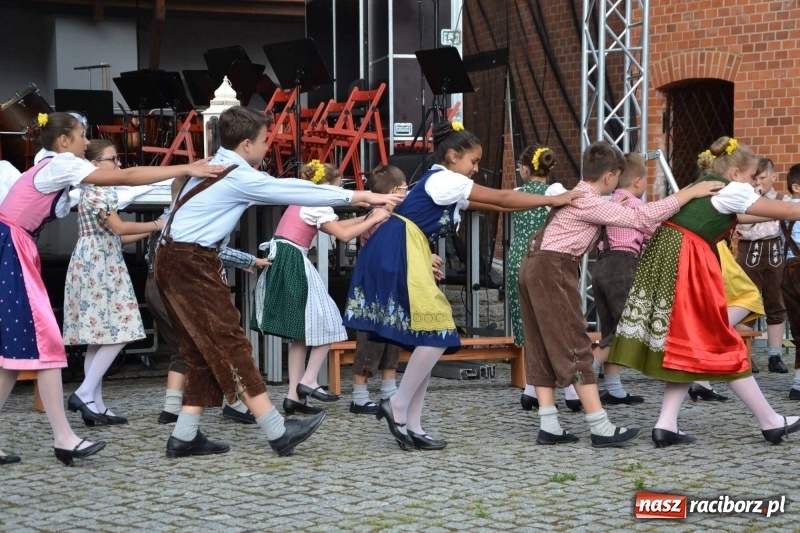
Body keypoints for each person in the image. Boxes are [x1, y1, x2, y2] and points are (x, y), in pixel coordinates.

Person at [154, 106, 405, 458]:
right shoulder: (239, 174)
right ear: (245, 144)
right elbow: (290, 190)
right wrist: (364, 196)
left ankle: (185, 434)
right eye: (263, 141)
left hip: (172, 258)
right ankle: (277, 430)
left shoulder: (215, 164)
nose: (266, 148)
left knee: (200, 349)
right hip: (190, 261)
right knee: (231, 343)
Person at [343, 121, 584, 451]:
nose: (474, 170)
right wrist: (554, 200)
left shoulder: (445, 184)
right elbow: (501, 197)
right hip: (398, 248)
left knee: (431, 334)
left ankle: (411, 422)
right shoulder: (446, 180)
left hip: (404, 248)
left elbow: (493, 204)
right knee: (439, 331)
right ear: (453, 156)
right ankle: (397, 405)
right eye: (472, 162)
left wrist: (541, 202)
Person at [0, 111, 223, 466]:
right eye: (81, 135)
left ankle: (67, 433)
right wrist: (185, 168)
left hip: (16, 245)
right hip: (13, 247)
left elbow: (124, 183)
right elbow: (129, 176)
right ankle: (65, 437)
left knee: (17, 354)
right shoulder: (61, 166)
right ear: (63, 141)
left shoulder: (52, 167)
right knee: (46, 344)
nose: (86, 142)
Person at [519, 140, 722, 448]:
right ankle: (599, 426)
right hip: (553, 269)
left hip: (534, 264)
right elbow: (643, 218)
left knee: (542, 344)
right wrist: (689, 193)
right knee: (574, 342)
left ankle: (549, 423)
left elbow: (602, 214)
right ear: (611, 176)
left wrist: (614, 208)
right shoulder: (588, 200)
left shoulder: (580, 195)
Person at [609, 136, 800, 447]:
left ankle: (666, 424)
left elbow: (751, 214)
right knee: (721, 342)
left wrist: (776, 210)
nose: (756, 184)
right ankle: (770, 421)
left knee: (691, 345)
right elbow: (789, 212)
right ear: (736, 173)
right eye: (753, 177)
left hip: (669, 258)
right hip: (689, 263)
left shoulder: (710, 184)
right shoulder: (735, 190)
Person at [251, 160, 391, 417]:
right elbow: (344, 235)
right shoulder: (317, 203)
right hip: (294, 261)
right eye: (337, 190)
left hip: (283, 259)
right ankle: (310, 380)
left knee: (300, 334)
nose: (338, 196)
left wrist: (370, 217)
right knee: (330, 322)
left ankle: (294, 396)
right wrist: (378, 216)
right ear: (325, 188)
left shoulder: (302, 202)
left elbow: (336, 227)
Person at [151, 177, 270, 425]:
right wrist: (250, 261)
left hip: (156, 284)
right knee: (215, 347)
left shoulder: (168, 218)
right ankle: (245, 408)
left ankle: (176, 414)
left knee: (187, 350)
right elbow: (212, 250)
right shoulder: (194, 218)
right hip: (184, 284)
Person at [62, 140, 165, 426]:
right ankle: (84, 393)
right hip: (100, 266)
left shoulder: (87, 193)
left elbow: (114, 236)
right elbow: (119, 228)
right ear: (95, 165)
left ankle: (95, 402)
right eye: (113, 159)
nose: (118, 165)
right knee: (122, 329)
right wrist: (157, 225)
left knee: (98, 336)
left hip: (93, 259)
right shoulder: (100, 192)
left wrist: (151, 231)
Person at [507, 146, 581, 413]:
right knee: (553, 322)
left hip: (516, 257)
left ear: (526, 169)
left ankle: (531, 389)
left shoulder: (516, 194)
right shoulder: (555, 191)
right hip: (543, 254)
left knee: (530, 324)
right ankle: (571, 390)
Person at [348, 164, 419, 415]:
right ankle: (359, 395)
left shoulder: (395, 218)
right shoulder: (378, 216)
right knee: (370, 338)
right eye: (404, 189)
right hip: (374, 285)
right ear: (393, 191)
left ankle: (389, 389)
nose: (407, 194)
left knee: (393, 334)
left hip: (392, 284)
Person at [591, 153, 656, 406]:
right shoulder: (636, 207)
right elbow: (654, 232)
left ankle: (613, 388)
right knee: (627, 326)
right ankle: (587, 367)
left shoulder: (608, 202)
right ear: (638, 182)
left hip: (601, 267)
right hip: (623, 266)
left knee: (610, 327)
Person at [733, 157, 790, 374]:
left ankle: (774, 355)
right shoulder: (745, 198)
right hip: (749, 251)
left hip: (774, 251)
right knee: (748, 302)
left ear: (773, 177)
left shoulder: (781, 199)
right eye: (755, 177)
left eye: (763, 178)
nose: (758, 182)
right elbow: (740, 224)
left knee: (775, 301)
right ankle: (747, 355)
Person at [781, 164, 800, 400]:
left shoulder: (782, 208)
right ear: (796, 187)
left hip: (786, 269)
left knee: (797, 327)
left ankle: (797, 383)